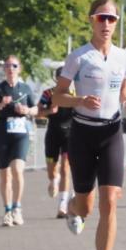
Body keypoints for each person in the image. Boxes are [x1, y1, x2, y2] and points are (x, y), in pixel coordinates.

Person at [53, 0, 126, 250]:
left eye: (111, 19)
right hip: (82, 133)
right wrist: (79, 100)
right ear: (91, 20)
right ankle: (73, 209)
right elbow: (58, 97)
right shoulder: (78, 57)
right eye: (101, 18)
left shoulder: (124, 57)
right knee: (86, 205)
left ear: (117, 23)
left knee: (110, 202)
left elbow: (124, 89)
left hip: (111, 133)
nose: (106, 24)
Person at [0, 55, 38, 226]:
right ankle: (7, 211)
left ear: (19, 69)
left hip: (21, 133)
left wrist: (26, 110)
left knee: (18, 170)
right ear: (4, 70)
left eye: (14, 66)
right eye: (7, 66)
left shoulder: (26, 88)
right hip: (2, 133)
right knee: (5, 175)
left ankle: (17, 208)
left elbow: (36, 110)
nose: (10, 69)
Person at [39, 67, 74, 218]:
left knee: (66, 168)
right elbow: (38, 112)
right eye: (61, 77)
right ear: (56, 78)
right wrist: (49, 111)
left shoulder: (75, 94)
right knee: (52, 172)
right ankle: (54, 179)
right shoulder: (48, 93)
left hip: (70, 135)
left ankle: (63, 205)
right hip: (53, 134)